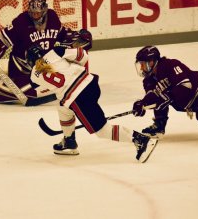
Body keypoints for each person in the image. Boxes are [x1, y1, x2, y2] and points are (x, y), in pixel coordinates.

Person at [26, 37, 158, 163]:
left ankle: (140, 140)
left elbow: (42, 91)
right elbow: (83, 55)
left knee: (102, 131)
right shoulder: (55, 52)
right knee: (63, 107)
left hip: (78, 97)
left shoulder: (33, 78)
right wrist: (73, 68)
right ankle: (69, 141)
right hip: (90, 83)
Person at [0, 0, 84, 105]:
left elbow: (62, 34)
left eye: (38, 13)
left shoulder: (52, 17)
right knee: (21, 89)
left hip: (44, 67)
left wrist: (77, 37)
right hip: (22, 70)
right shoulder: (21, 21)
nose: (35, 16)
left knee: (69, 74)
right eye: (33, 13)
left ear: (44, 11)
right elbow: (2, 39)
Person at [131, 46, 198, 149]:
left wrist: (168, 97)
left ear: (152, 62)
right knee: (160, 98)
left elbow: (185, 86)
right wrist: (142, 104)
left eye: (143, 64)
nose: (141, 68)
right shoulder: (148, 80)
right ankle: (159, 126)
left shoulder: (171, 65)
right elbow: (152, 97)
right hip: (187, 100)